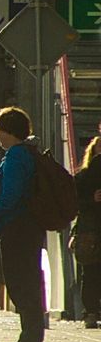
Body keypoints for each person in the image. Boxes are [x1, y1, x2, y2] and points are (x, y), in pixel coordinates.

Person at [0, 106, 44, 342]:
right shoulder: (29, 154)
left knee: (20, 282)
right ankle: (31, 337)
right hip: (29, 226)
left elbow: (10, 195)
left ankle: (29, 339)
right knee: (29, 280)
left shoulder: (14, 158)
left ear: (10, 131)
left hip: (16, 227)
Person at [71, 136, 101, 329]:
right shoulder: (84, 177)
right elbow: (75, 203)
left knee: (89, 271)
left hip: (89, 228)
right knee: (89, 270)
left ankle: (91, 311)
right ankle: (90, 310)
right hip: (90, 229)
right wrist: (92, 199)